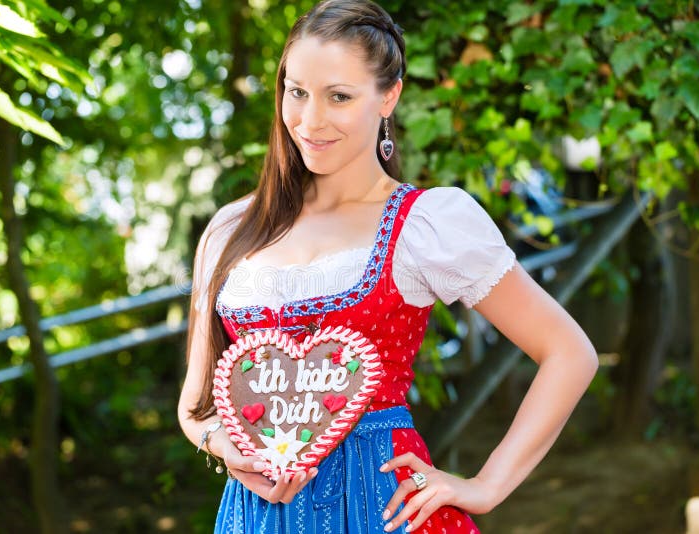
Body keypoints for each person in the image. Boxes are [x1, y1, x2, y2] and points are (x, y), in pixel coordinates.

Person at [177, 1, 599, 532]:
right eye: (297, 91)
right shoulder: (231, 230)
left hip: (385, 510)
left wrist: (485, 487)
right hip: (258, 516)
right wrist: (226, 446)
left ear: (389, 97)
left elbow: (569, 353)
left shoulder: (427, 224)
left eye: (340, 97)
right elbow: (195, 406)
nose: (310, 120)